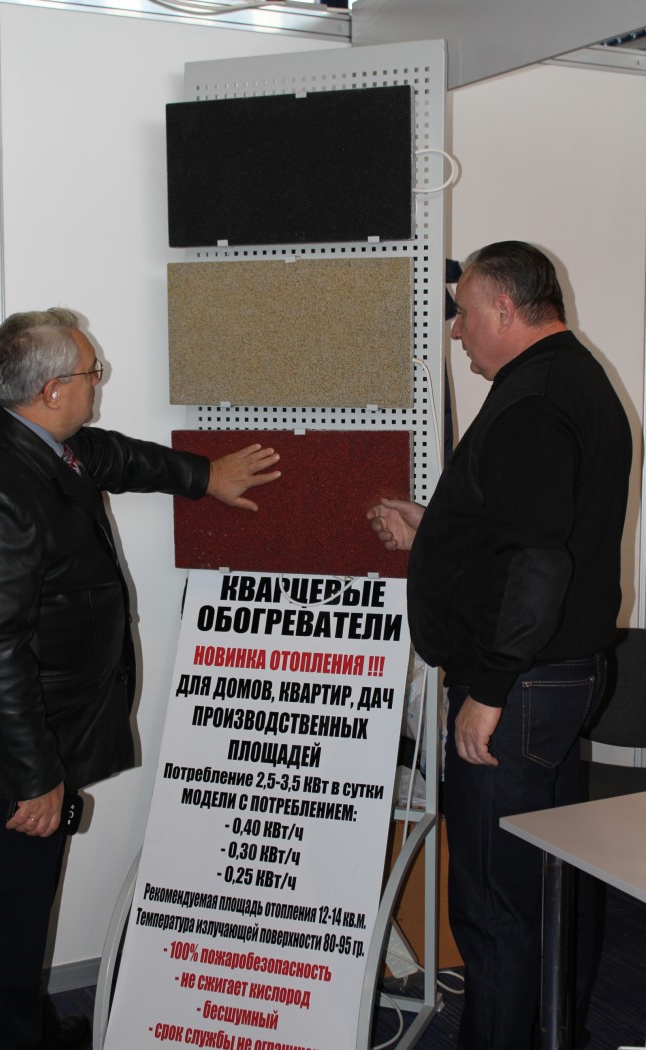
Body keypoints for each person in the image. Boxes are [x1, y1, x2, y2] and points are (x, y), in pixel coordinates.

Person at [0, 308, 281, 1050]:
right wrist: (34, 777)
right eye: (91, 372)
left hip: (27, 741)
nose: (98, 382)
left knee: (17, 913)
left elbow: (107, 456)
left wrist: (202, 477)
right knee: (2, 926)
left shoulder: (22, 436)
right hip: (7, 760)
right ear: (52, 390)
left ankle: (23, 1027)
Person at [368, 242, 632, 1049]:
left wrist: (488, 690)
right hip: (549, 678)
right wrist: (438, 529)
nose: (456, 332)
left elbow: (539, 564)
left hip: (517, 688)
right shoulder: (570, 380)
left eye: (464, 313)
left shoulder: (535, 401)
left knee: (493, 900)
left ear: (505, 310)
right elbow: (528, 533)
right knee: (546, 881)